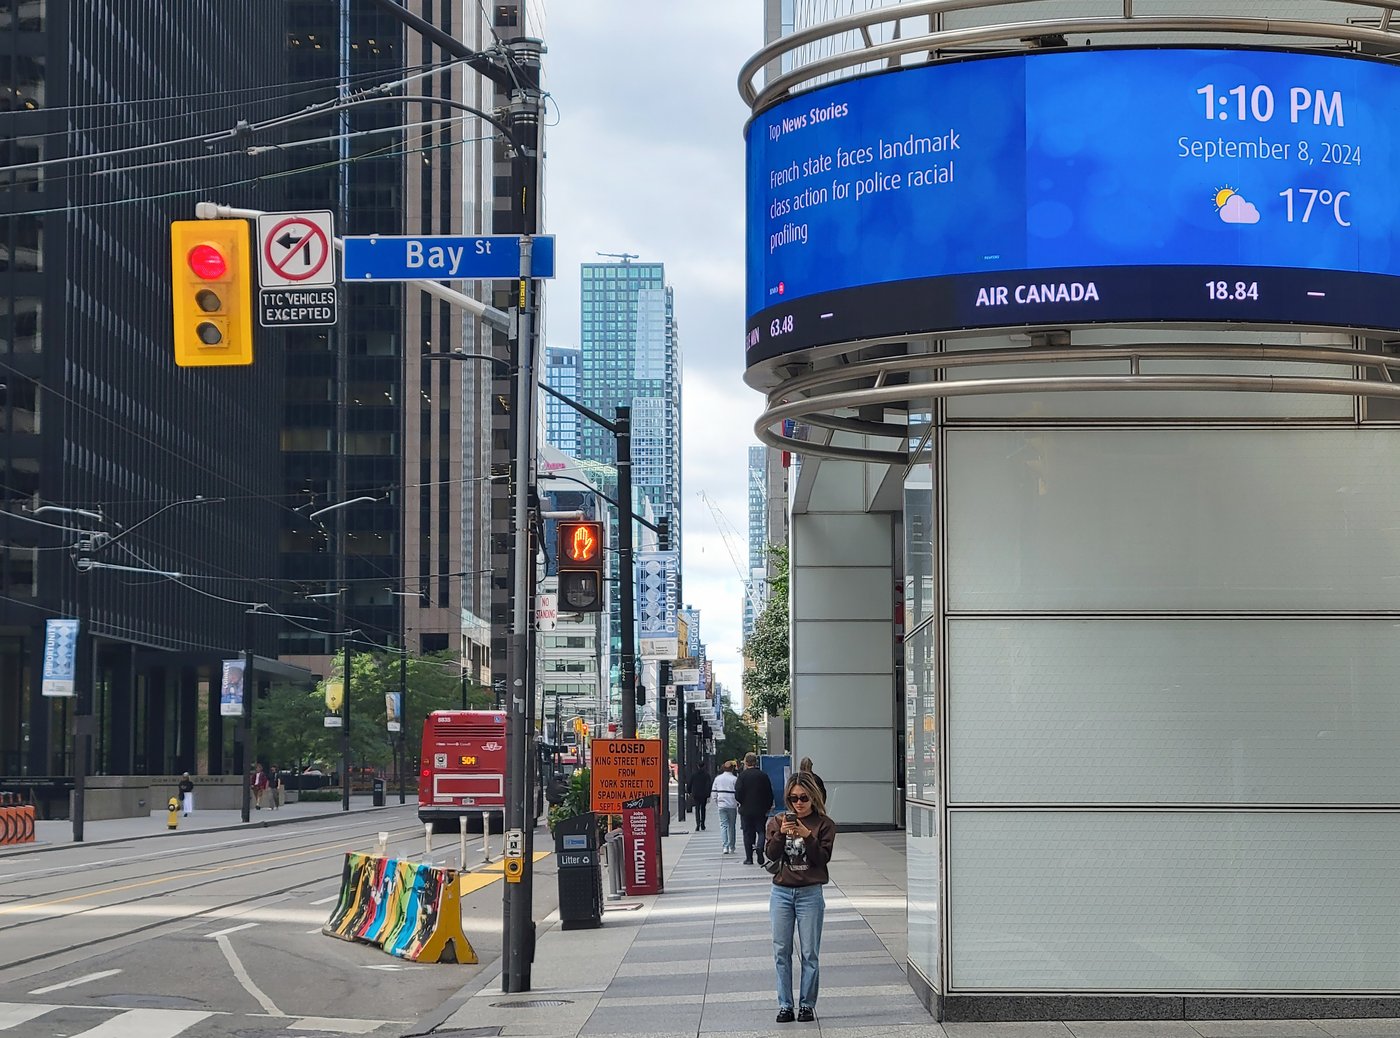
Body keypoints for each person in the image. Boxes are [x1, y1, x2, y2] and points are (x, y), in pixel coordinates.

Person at [764, 772, 836, 1023]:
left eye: (804, 797)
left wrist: (807, 835)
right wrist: (782, 833)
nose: (799, 803)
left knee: (809, 952)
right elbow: (771, 854)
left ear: (813, 797)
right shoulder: (777, 820)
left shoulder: (824, 824)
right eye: (793, 798)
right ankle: (785, 1005)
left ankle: (806, 1005)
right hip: (782, 892)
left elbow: (822, 859)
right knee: (781, 951)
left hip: (810, 893)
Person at [735, 752, 775, 866]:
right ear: (756, 762)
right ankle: (760, 847)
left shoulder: (742, 776)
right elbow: (769, 793)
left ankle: (749, 858)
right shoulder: (763, 775)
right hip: (760, 809)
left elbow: (738, 793)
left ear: (746, 762)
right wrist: (768, 806)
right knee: (761, 830)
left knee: (747, 833)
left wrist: (742, 802)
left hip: (746, 809)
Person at [711, 760, 739, 855]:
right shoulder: (734, 779)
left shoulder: (718, 779)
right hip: (732, 804)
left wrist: (716, 801)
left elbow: (714, 792)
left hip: (721, 804)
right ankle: (732, 846)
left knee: (723, 825)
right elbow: (738, 792)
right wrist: (737, 802)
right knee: (732, 826)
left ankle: (725, 846)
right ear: (732, 768)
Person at [687, 763, 713, 830]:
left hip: (696, 794)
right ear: (704, 766)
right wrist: (708, 794)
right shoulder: (706, 775)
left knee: (697, 809)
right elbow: (709, 785)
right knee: (703, 809)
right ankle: (703, 824)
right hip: (704, 794)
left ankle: (697, 824)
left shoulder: (694, 774)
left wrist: (689, 792)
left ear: (698, 766)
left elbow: (689, 784)